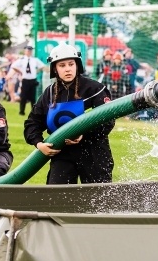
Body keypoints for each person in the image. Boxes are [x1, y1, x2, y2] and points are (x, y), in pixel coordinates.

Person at [24, 44, 114, 184]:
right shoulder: (48, 94)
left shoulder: (95, 89)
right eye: (62, 65)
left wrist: (84, 134)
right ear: (55, 68)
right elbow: (32, 123)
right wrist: (39, 143)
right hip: (63, 155)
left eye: (71, 64)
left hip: (94, 153)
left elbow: (107, 120)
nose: (67, 69)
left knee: (97, 201)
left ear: (77, 65)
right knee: (56, 198)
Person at [11, 44, 47, 116]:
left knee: (32, 98)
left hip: (32, 80)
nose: (29, 52)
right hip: (25, 79)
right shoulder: (22, 60)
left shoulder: (35, 60)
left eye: (30, 51)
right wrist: (20, 72)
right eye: (27, 50)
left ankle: (33, 111)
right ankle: (22, 111)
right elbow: (13, 66)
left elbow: (42, 66)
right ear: (25, 51)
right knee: (23, 96)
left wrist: (37, 71)